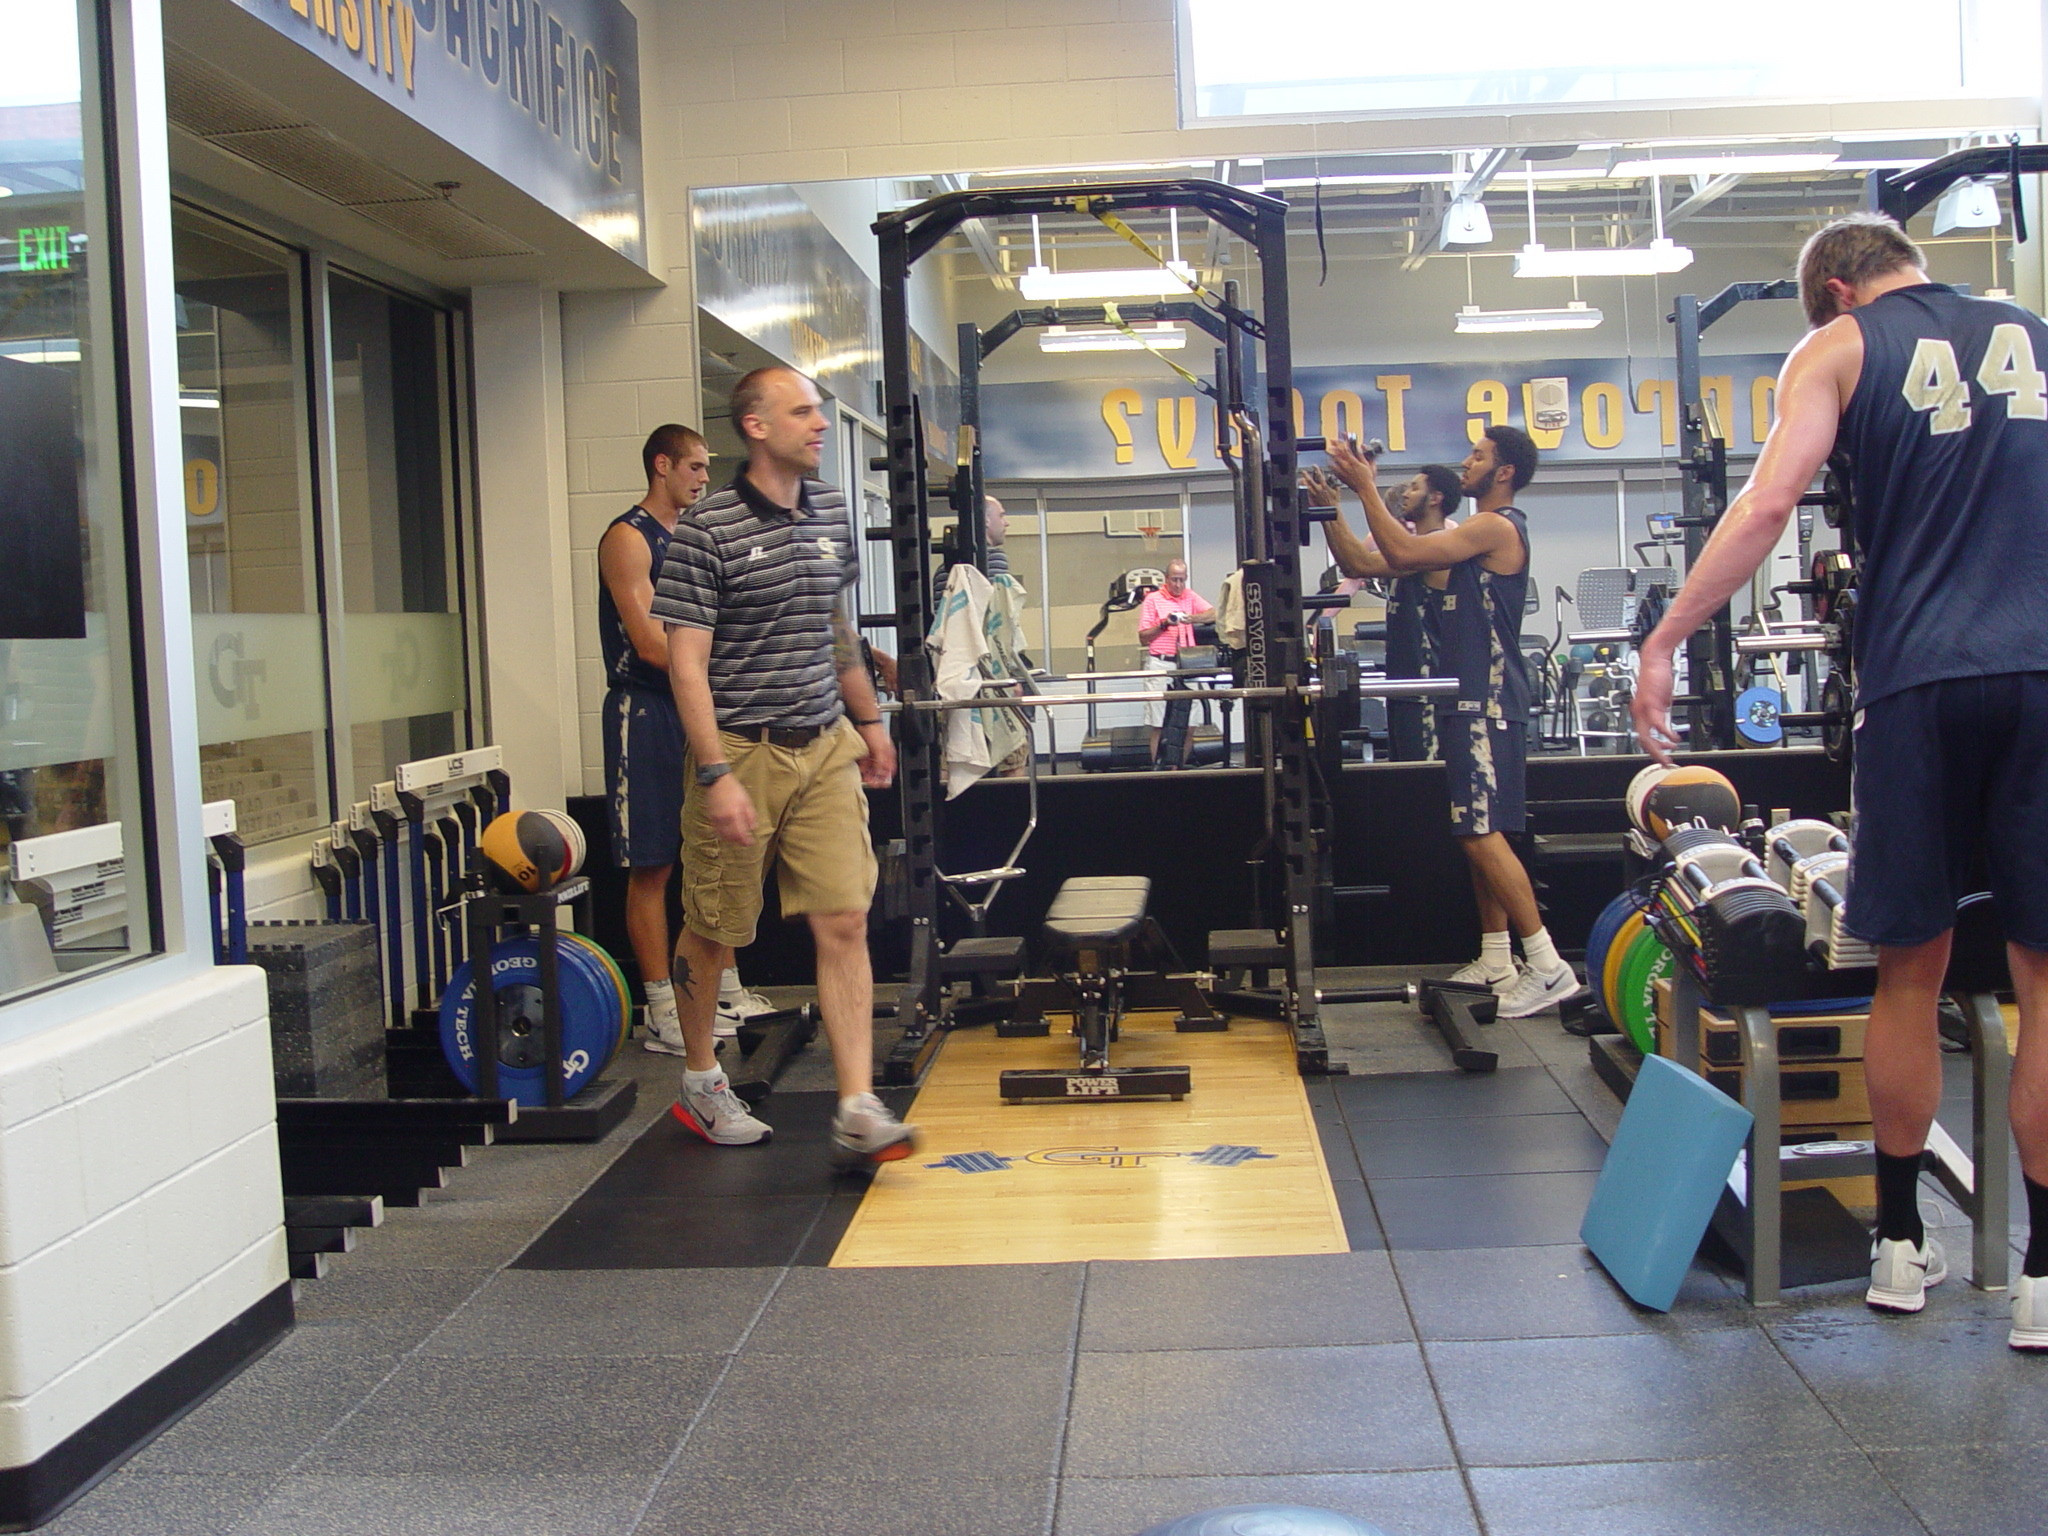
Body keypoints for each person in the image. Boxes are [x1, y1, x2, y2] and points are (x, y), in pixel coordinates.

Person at [1631, 212, 2048, 1348]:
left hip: (1916, 680)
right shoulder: (2035, 330)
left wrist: (1665, 637)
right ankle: (2043, 1276)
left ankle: (1900, 1243)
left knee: (1903, 976)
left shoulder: (1838, 348)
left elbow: (1767, 506)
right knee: (2038, 982)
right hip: (2042, 674)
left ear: (1829, 290)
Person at [649, 365, 915, 1165]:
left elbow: (834, 629)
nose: (820, 423)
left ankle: (859, 1104)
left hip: (824, 742)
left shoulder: (830, 510)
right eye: (803, 412)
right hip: (742, 746)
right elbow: (684, 665)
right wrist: (715, 772)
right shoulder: (709, 530)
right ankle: (701, 1082)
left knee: (845, 917)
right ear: (757, 427)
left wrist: (870, 721)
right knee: (716, 931)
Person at [1327, 426, 1579, 1019]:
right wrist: (1328, 509)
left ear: (1505, 472)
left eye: (1479, 457)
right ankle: (1497, 957)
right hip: (1470, 698)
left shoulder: (1498, 525)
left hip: (1485, 698)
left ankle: (1547, 965)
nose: (1465, 463)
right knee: (1478, 831)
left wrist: (1364, 483)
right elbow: (1372, 560)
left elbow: (1407, 552)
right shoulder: (1468, 540)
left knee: (1476, 830)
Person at [598, 425, 776, 1054]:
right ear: (661, 465)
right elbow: (651, 644)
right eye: (695, 467)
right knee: (655, 865)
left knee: (719, 853)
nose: (704, 478)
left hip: (699, 707)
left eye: (708, 469)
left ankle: (719, 985)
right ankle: (660, 1009)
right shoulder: (627, 538)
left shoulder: (694, 540)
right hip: (646, 712)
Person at [1304, 462, 1462, 761]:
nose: (1406, 494)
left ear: (1435, 499)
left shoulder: (1442, 544)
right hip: (1403, 685)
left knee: (1424, 782)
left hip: (1429, 690)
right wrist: (1329, 510)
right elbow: (1353, 567)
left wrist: (1355, 494)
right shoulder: (1406, 547)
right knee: (1401, 775)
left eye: (1415, 488)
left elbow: (1360, 564)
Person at [1137, 558, 1215, 759]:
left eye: (1182, 580)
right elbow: (1143, 637)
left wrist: (1191, 618)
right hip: (1161, 662)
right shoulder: (1153, 599)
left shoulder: (1189, 596)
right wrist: (1164, 624)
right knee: (1159, 724)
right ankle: (1158, 771)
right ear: (1166, 579)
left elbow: (1214, 613)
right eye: (1174, 580)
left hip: (1187, 663)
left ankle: (1179, 767)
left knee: (1190, 724)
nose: (1178, 585)